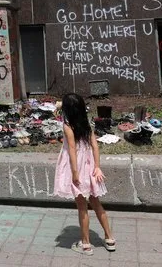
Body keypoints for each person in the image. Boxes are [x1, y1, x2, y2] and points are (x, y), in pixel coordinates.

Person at [54, 93, 116, 256]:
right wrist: (97, 167)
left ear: (67, 110)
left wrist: (75, 173)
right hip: (90, 166)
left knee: (82, 207)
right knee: (96, 202)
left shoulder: (68, 126)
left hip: (78, 167)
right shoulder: (87, 124)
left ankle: (86, 244)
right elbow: (95, 146)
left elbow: (72, 149)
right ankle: (109, 238)